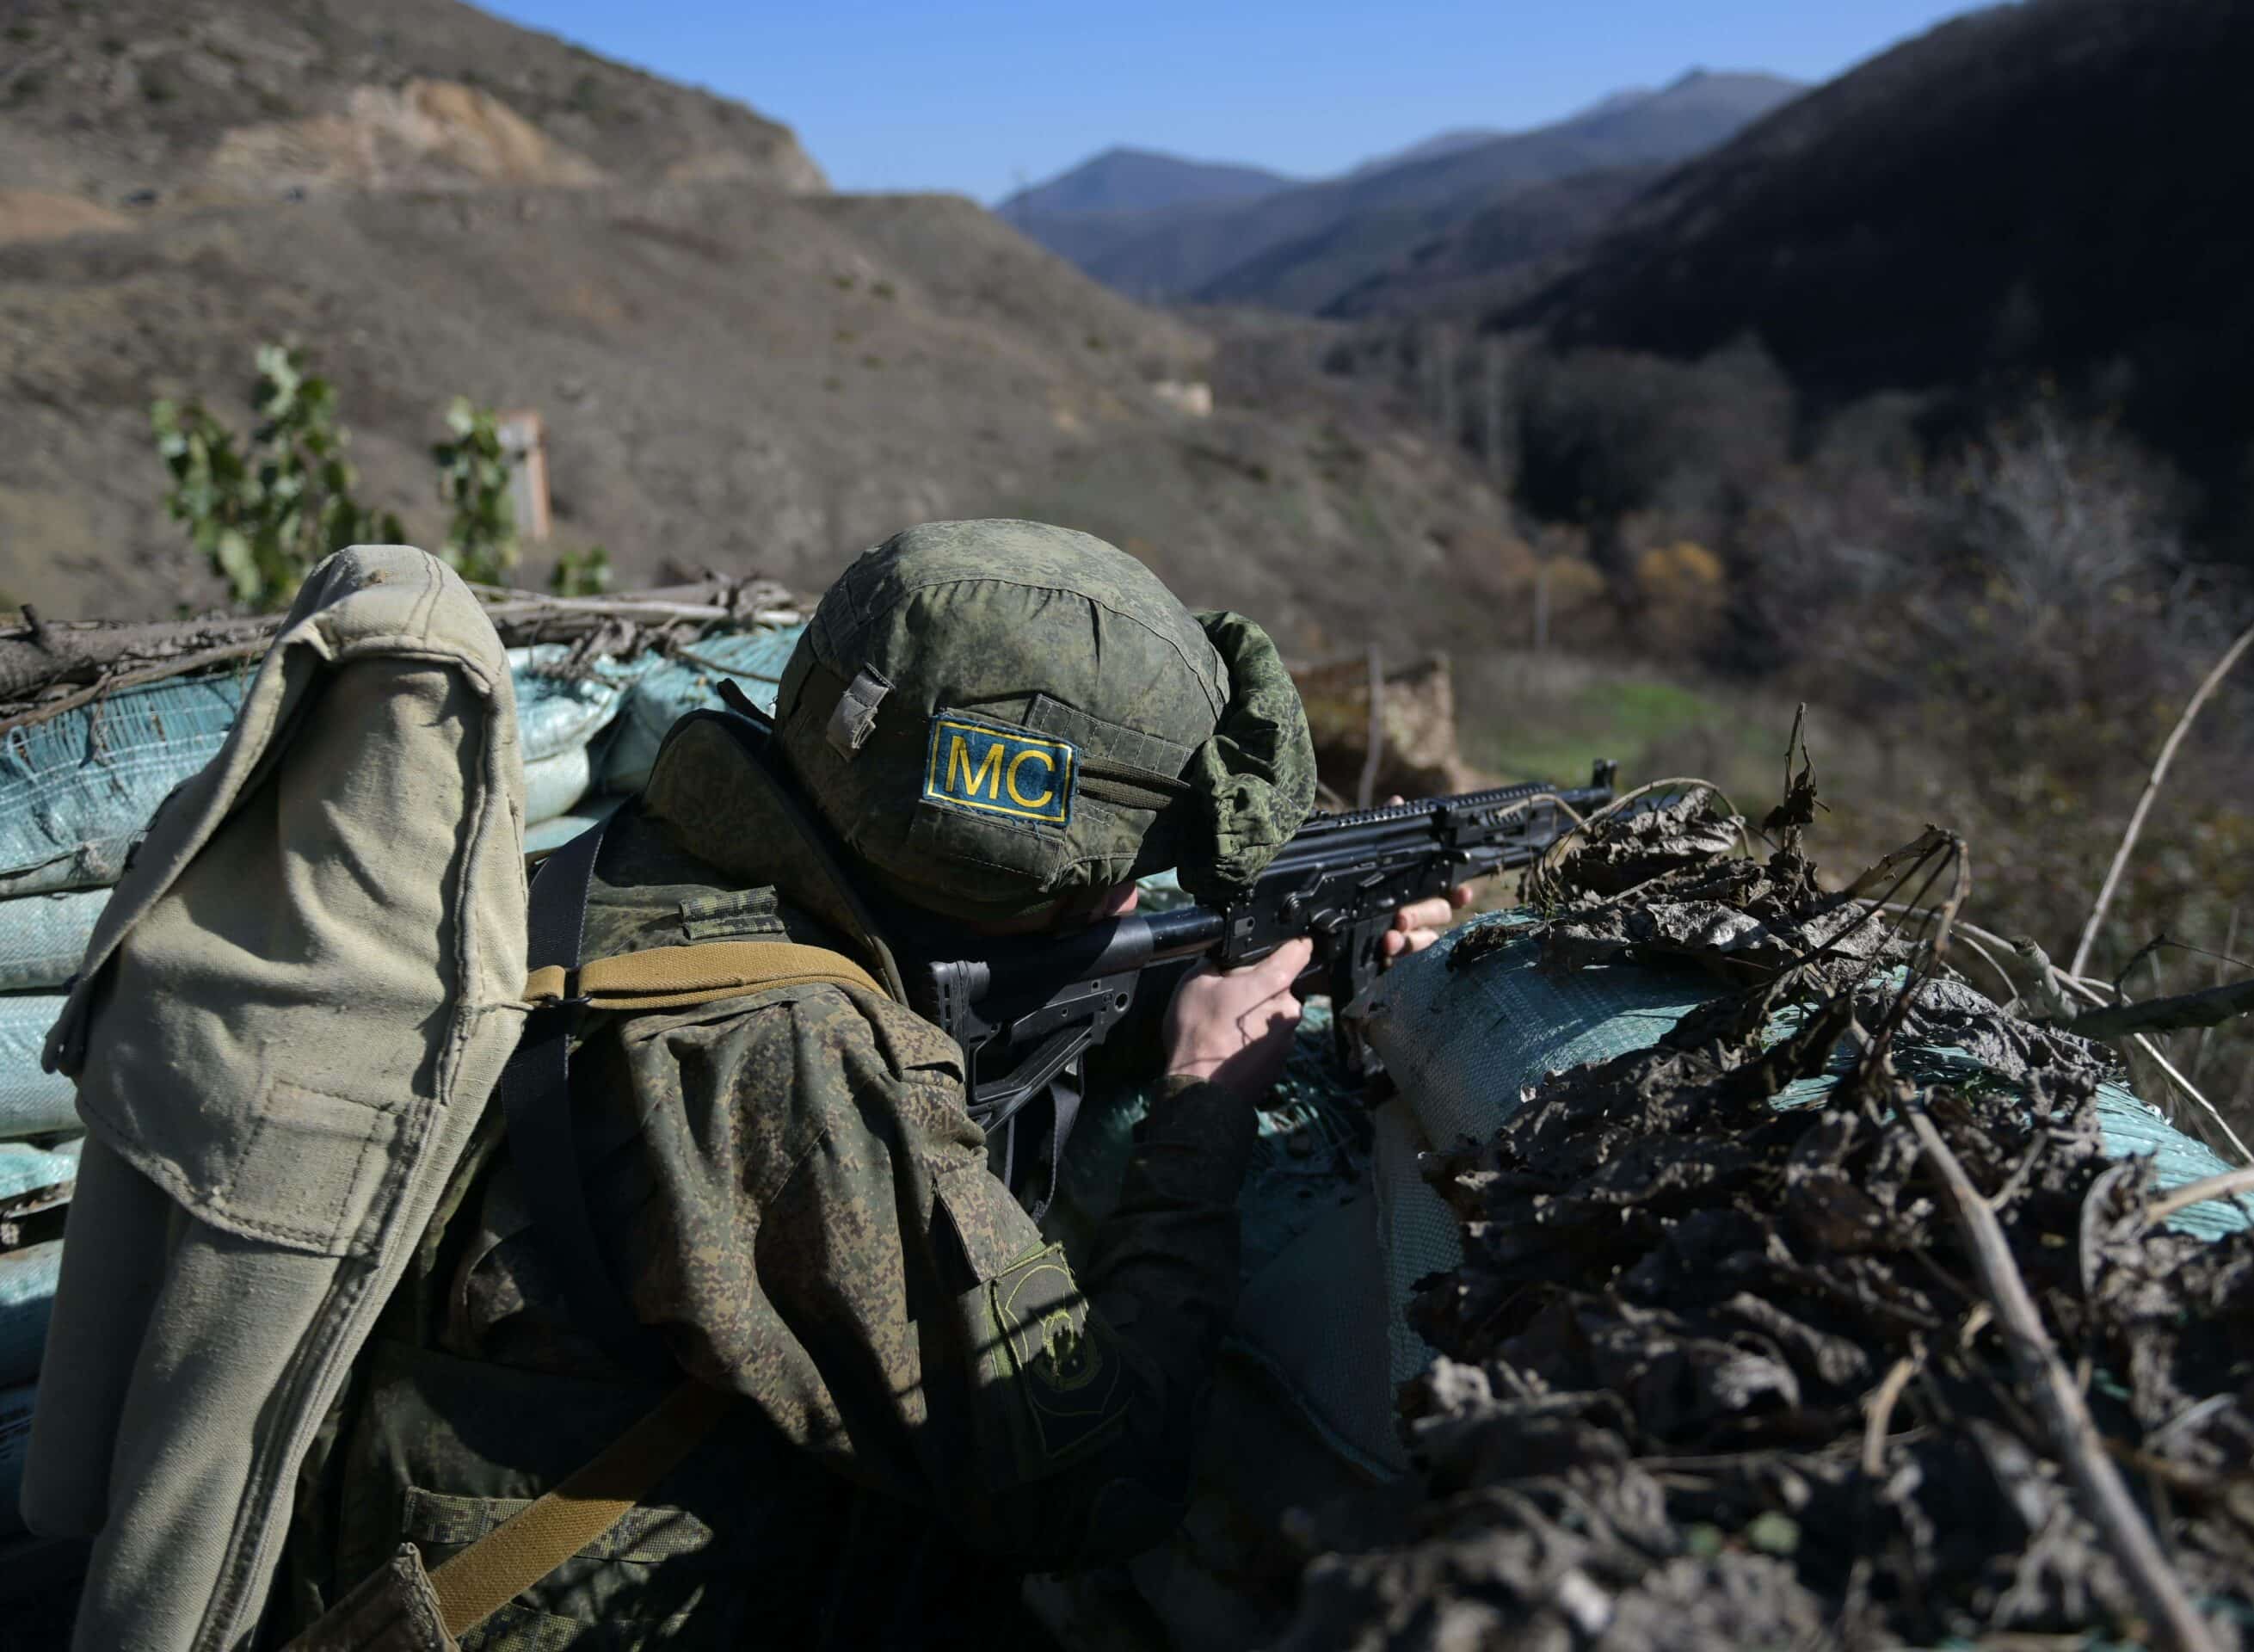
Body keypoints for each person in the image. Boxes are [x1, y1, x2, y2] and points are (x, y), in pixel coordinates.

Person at [269, 520, 1467, 1649]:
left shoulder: (676, 859)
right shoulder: (781, 1062)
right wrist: (1205, 1091)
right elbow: (1089, 1475)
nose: (1130, 907)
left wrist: (1282, 956)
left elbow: (995, 990)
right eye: (1120, 875)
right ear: (995, 849)